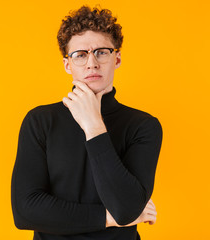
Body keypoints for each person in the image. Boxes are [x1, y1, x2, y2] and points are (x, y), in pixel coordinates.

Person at [11, 5, 163, 240]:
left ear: (117, 58)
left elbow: (125, 208)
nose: (92, 63)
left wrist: (94, 125)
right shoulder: (40, 121)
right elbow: (25, 212)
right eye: (80, 55)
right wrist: (110, 218)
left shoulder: (143, 126)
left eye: (101, 52)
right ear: (67, 65)